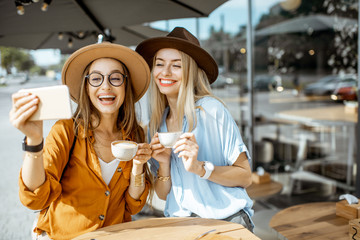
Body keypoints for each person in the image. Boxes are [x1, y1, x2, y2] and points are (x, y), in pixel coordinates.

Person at [9, 42, 153, 239]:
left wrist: (138, 166)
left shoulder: (135, 134)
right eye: (96, 79)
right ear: (86, 87)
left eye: (115, 78)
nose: (106, 86)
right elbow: (34, 198)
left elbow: (133, 205)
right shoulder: (66, 130)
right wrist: (34, 141)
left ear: (125, 85)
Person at [136, 27, 254, 232]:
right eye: (160, 64)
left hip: (225, 223)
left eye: (176, 66)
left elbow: (245, 176)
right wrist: (163, 164)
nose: (165, 72)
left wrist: (201, 168)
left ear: (190, 71)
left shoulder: (210, 110)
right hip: (182, 226)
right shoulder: (158, 124)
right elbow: (163, 194)